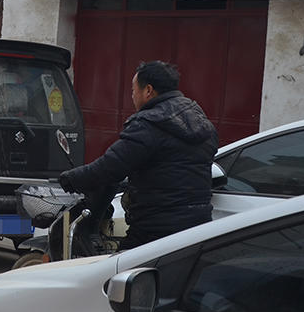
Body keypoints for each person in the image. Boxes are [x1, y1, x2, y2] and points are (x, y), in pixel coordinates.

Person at [58, 60, 218, 250]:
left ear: (148, 91)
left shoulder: (149, 124)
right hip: (199, 226)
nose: (132, 96)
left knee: (115, 273)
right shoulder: (199, 119)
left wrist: (71, 179)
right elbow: (171, 167)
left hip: (156, 229)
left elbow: (110, 167)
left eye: (133, 90)